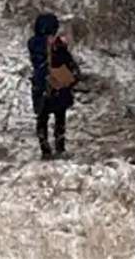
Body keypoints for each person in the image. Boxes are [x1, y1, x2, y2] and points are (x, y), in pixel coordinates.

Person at [28, 13, 80, 160]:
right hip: (56, 83)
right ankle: (59, 147)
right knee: (59, 117)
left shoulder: (33, 43)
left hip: (41, 85)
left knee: (42, 118)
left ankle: (45, 149)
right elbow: (68, 62)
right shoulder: (55, 45)